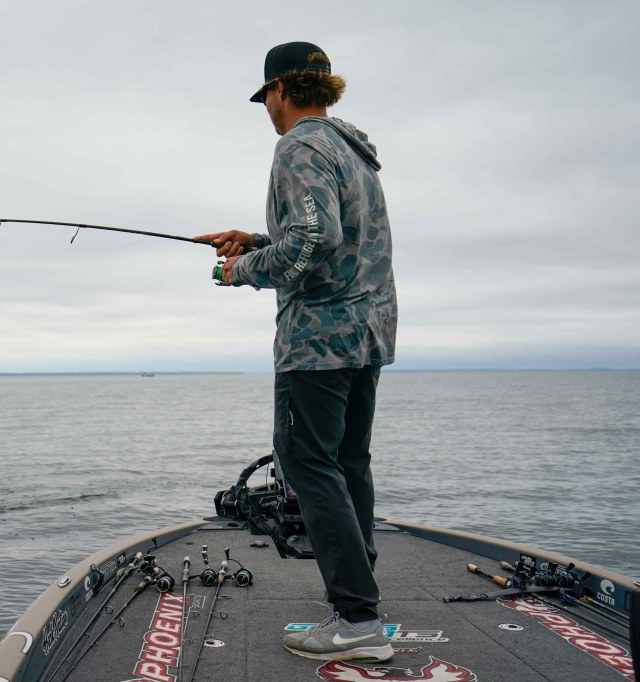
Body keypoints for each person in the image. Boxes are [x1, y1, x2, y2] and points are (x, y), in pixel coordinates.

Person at [195, 41, 397, 662]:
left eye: (266, 98)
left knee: (307, 464)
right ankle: (359, 601)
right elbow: (331, 233)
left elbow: (313, 238)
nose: (268, 110)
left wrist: (241, 269)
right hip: (366, 331)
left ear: (281, 90)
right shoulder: (349, 148)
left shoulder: (298, 146)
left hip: (318, 341)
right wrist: (257, 239)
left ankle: (357, 621)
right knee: (348, 462)